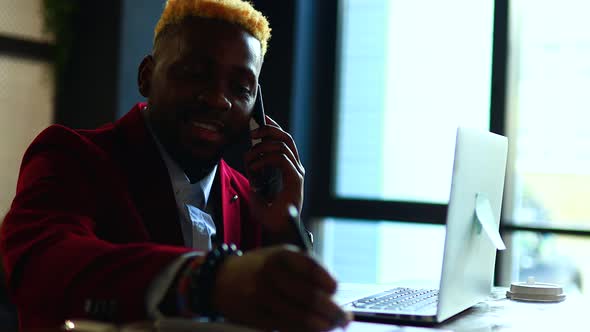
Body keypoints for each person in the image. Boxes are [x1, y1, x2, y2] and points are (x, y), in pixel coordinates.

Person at [0, 0, 350, 330]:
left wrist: (286, 230)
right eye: (196, 73)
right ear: (146, 76)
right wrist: (207, 279)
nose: (217, 98)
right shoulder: (71, 157)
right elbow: (42, 266)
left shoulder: (251, 199)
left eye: (241, 87)